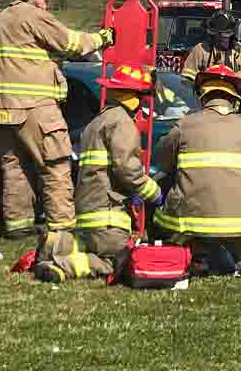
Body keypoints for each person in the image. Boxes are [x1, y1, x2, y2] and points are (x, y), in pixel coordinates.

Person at [0, 0, 110, 252]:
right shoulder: (33, 16)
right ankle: (62, 227)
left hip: (0, 110)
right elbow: (72, 43)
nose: (48, 0)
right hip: (33, 107)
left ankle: (18, 225)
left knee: (15, 167)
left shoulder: (0, 20)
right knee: (55, 164)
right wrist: (104, 37)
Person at [151, 66, 241, 288]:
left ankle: (195, 255)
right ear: (234, 98)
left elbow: (162, 160)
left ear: (203, 95)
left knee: (171, 223)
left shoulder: (185, 125)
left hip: (194, 221)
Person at [35, 62, 163, 283]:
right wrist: (153, 193)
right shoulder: (122, 122)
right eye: (142, 97)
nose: (142, 103)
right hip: (108, 218)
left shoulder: (96, 123)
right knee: (117, 260)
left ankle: (57, 243)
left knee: (92, 244)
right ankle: (61, 266)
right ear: (133, 97)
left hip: (88, 215)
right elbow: (127, 168)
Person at [180, 10, 241, 78]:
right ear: (213, 34)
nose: (222, 38)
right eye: (219, 35)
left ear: (232, 34)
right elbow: (187, 75)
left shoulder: (238, 52)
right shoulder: (201, 50)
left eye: (226, 34)